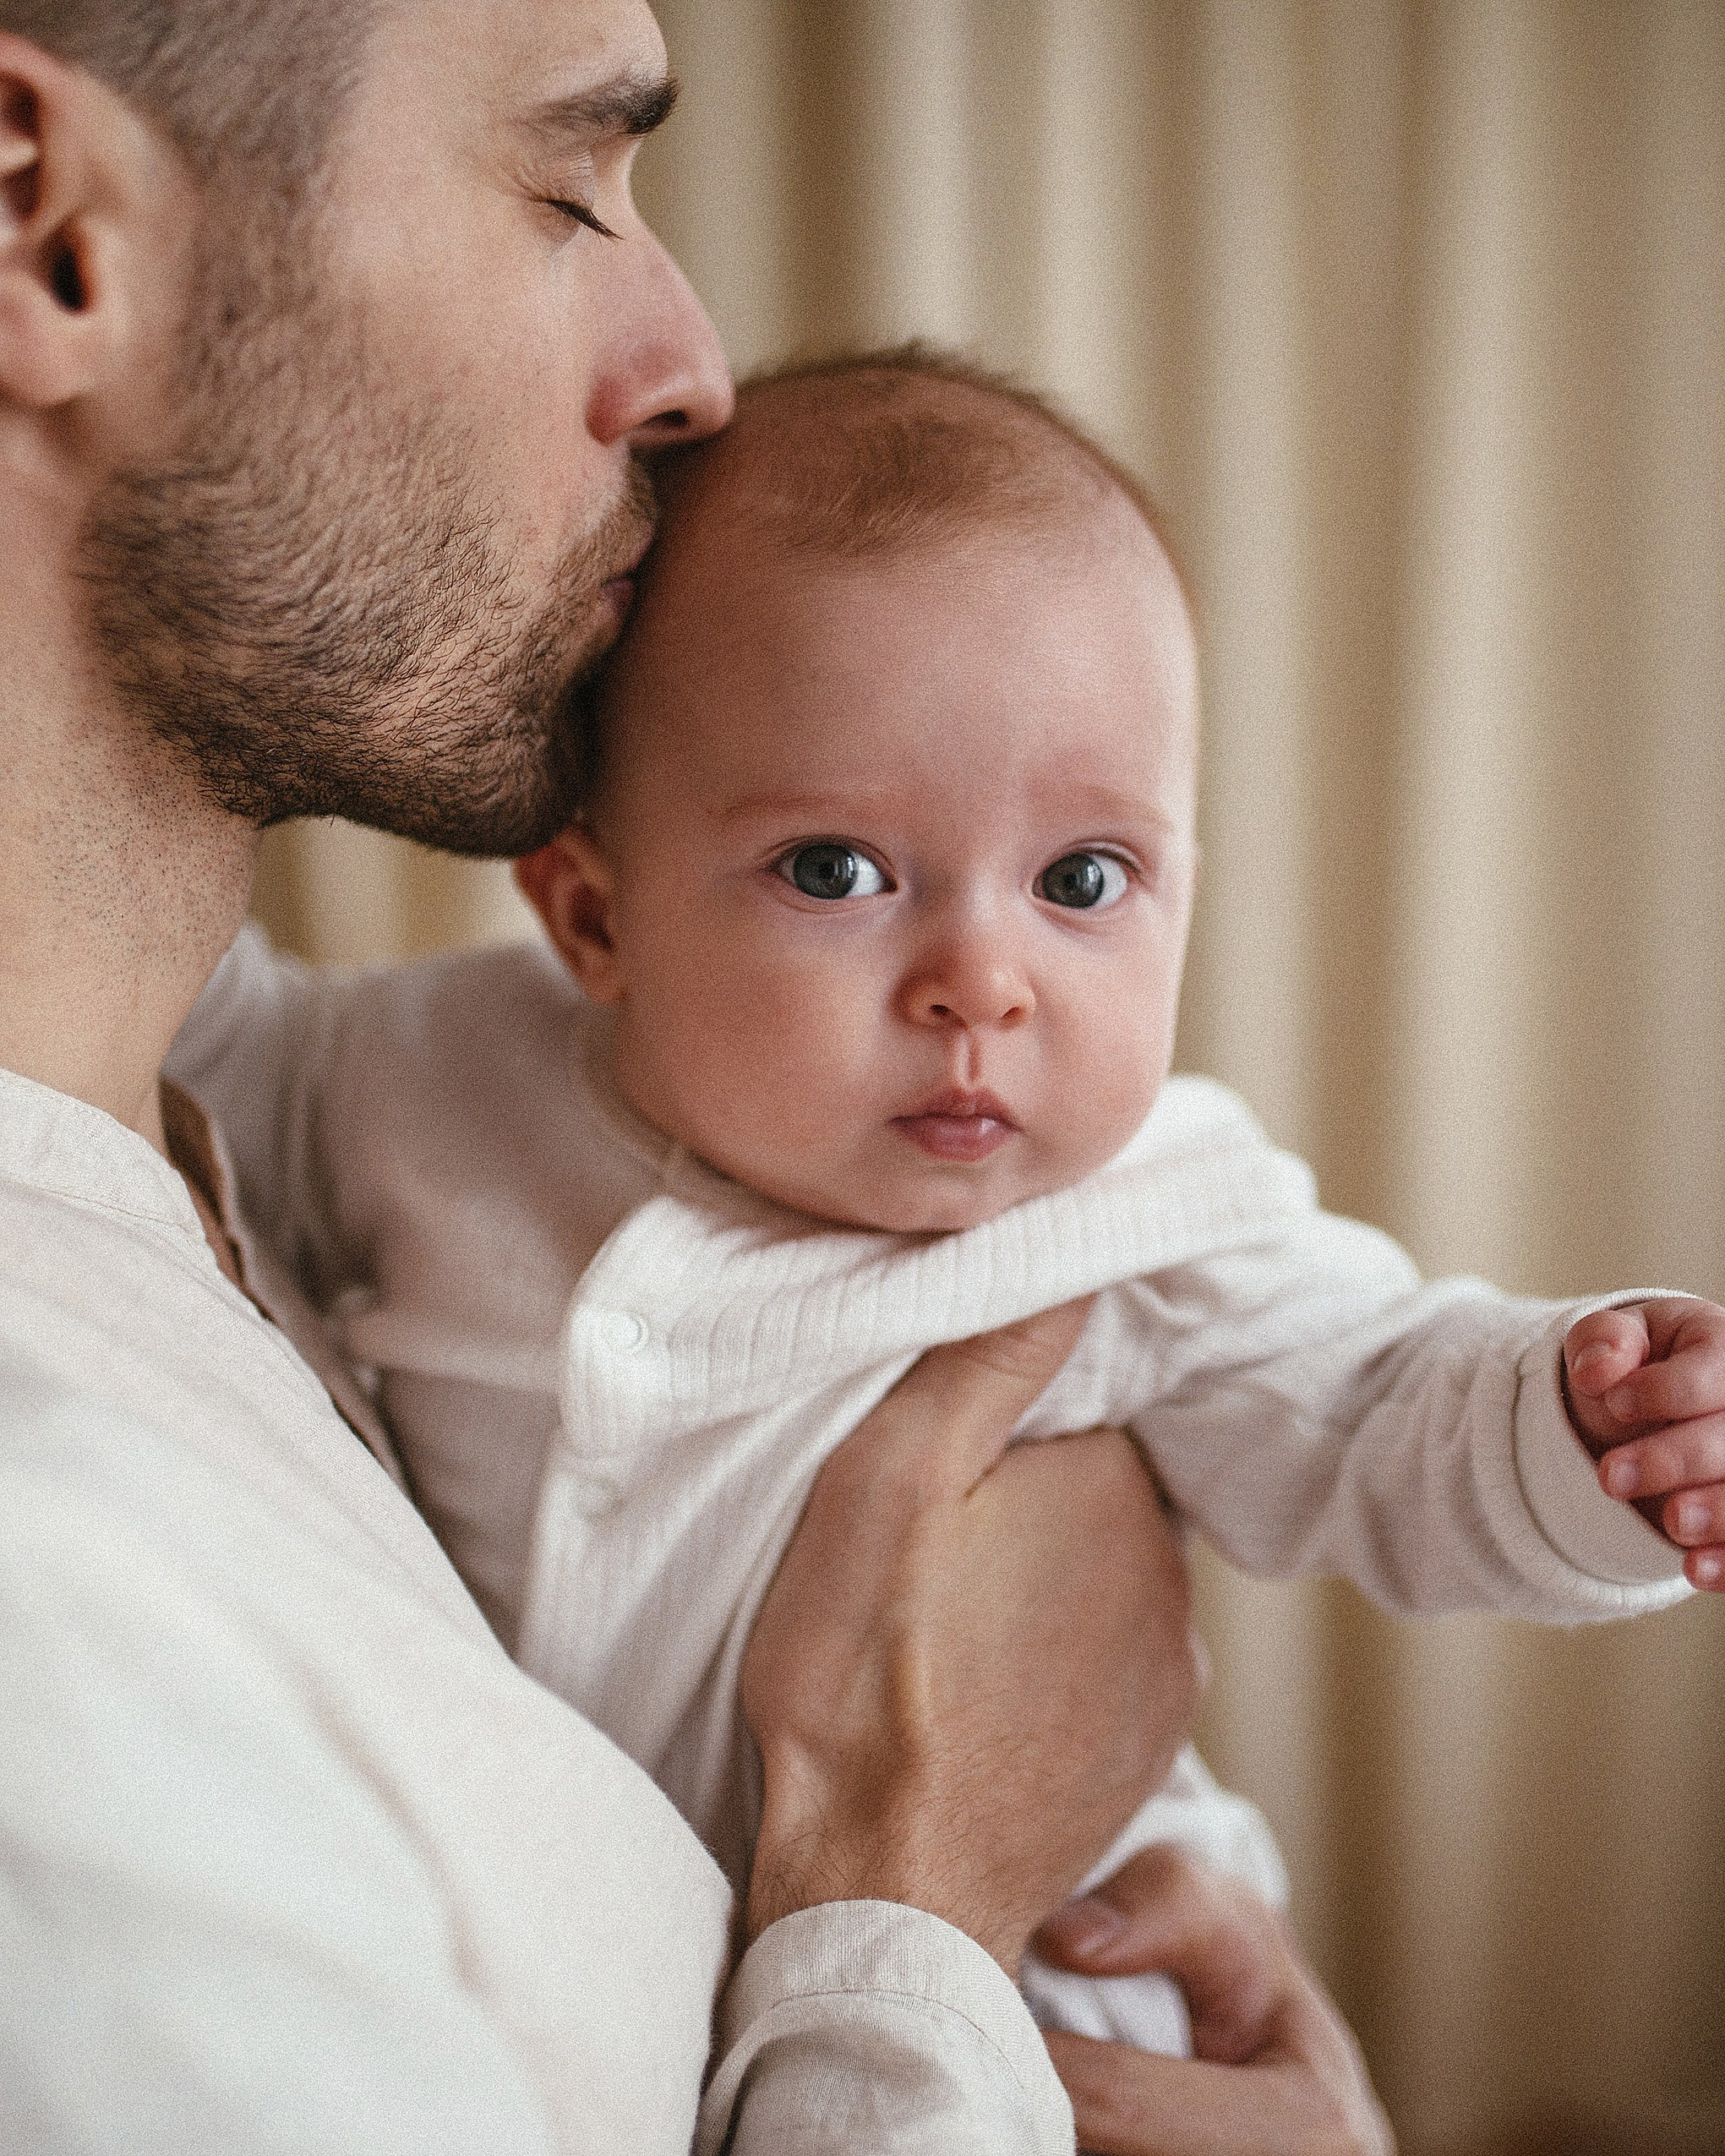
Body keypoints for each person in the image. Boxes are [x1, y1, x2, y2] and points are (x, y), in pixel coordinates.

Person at [0, 4, 1396, 2152]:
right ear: (47, 228)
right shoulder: (50, 1587)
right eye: (567, 184)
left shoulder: (218, 1159)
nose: (693, 366)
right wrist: (907, 1871)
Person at [171, 350, 1718, 2064]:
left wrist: (1589, 1429)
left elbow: (1386, 1410)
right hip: (569, 1992)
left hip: (1044, 1986)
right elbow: (192, 1026)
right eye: (835, 870)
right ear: (594, 919)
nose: (982, 981)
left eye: (1082, 878)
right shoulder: (427, 1076)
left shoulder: (1151, 1218)